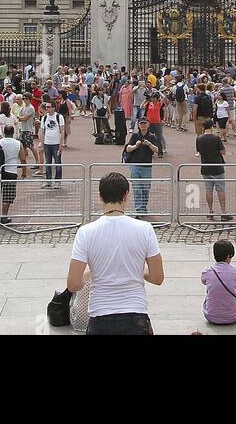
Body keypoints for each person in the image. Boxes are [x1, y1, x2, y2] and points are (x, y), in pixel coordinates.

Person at [66, 171, 164, 334]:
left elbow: (73, 284)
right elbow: (157, 277)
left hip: (100, 316)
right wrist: (135, 267)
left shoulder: (86, 232)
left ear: (100, 196)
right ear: (126, 195)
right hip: (136, 315)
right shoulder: (145, 229)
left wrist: (91, 272)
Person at [0, 120, 26, 225]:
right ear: (13, 132)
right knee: (9, 193)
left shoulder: (0, 141)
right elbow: (23, 159)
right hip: (11, 171)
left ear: (4, 132)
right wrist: (24, 172)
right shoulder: (18, 143)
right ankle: (4, 214)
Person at [201, 240, 236, 326]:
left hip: (211, 316)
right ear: (228, 256)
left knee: (208, 295)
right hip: (233, 316)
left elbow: (203, 281)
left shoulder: (207, 271)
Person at [195, 122, 231, 222]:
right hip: (217, 167)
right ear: (212, 127)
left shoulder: (199, 138)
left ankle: (210, 211)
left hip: (205, 167)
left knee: (208, 190)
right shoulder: (216, 138)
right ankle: (223, 212)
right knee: (221, 190)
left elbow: (199, 151)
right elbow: (223, 152)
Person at [124, 118, 161, 214]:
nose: (143, 125)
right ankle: (139, 209)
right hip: (135, 165)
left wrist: (149, 144)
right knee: (137, 188)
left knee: (145, 188)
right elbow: (127, 148)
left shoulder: (152, 136)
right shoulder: (135, 136)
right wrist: (135, 146)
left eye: (145, 123)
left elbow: (157, 150)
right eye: (141, 123)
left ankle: (143, 207)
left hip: (147, 166)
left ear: (148, 125)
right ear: (138, 125)